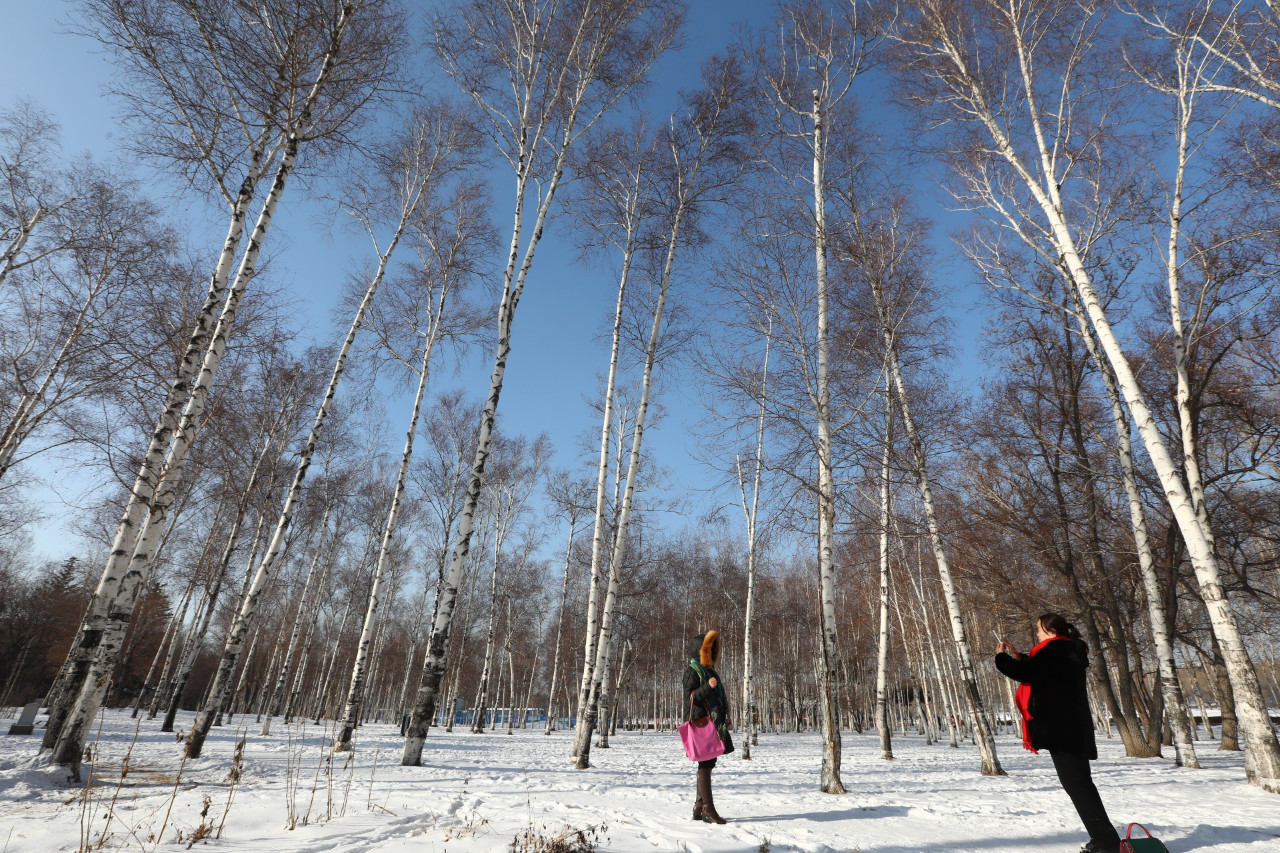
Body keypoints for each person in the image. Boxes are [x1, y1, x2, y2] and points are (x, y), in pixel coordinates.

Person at [996, 613, 1122, 853]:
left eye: (1040, 630)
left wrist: (1001, 657)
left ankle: (1107, 842)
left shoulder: (1054, 650)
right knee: (1080, 783)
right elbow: (1043, 672)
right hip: (1071, 727)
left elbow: (1026, 673)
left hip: (1063, 730)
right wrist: (1020, 657)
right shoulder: (1064, 651)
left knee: (1077, 784)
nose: (1037, 633)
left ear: (1052, 632)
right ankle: (1105, 839)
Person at [683, 629, 731, 824]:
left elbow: (719, 698)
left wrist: (725, 716)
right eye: (707, 650)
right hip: (702, 722)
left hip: (714, 721)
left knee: (709, 762)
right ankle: (708, 809)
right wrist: (707, 687)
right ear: (700, 651)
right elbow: (690, 698)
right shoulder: (692, 671)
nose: (711, 654)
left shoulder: (711, 672)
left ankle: (698, 806)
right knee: (706, 763)